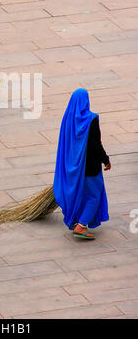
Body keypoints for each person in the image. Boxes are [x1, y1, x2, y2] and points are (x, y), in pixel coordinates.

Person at [53, 88, 111, 240]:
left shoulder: (68, 119)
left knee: (83, 193)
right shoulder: (91, 119)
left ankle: (80, 220)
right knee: (94, 195)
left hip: (73, 167)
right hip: (90, 167)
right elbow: (96, 145)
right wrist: (106, 159)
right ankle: (81, 225)